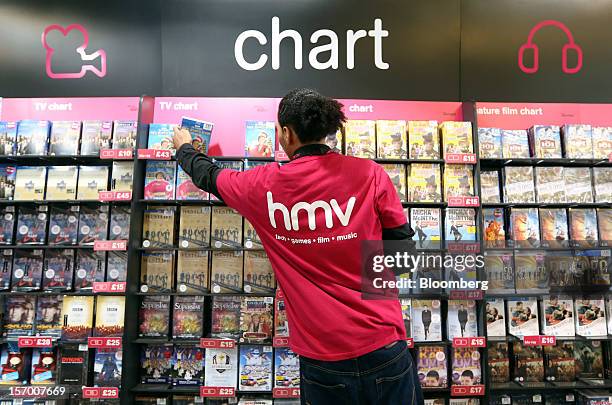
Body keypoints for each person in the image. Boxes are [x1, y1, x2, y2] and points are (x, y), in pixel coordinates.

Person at [173, 88, 422, 405]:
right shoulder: (370, 173)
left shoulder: (263, 186)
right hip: (384, 344)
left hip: (322, 358)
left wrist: (184, 148)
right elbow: (403, 258)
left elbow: (209, 176)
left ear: (287, 133)